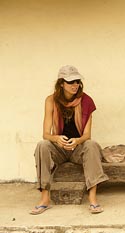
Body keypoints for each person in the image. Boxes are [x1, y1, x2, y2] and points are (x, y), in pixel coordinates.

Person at [30, 65, 109, 215]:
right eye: (70, 82)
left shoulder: (86, 101)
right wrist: (56, 139)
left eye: (77, 81)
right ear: (61, 83)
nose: (75, 85)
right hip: (59, 148)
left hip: (77, 149)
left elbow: (87, 135)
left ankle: (93, 199)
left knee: (91, 145)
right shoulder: (50, 101)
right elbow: (46, 134)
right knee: (42, 145)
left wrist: (78, 141)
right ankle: (44, 199)